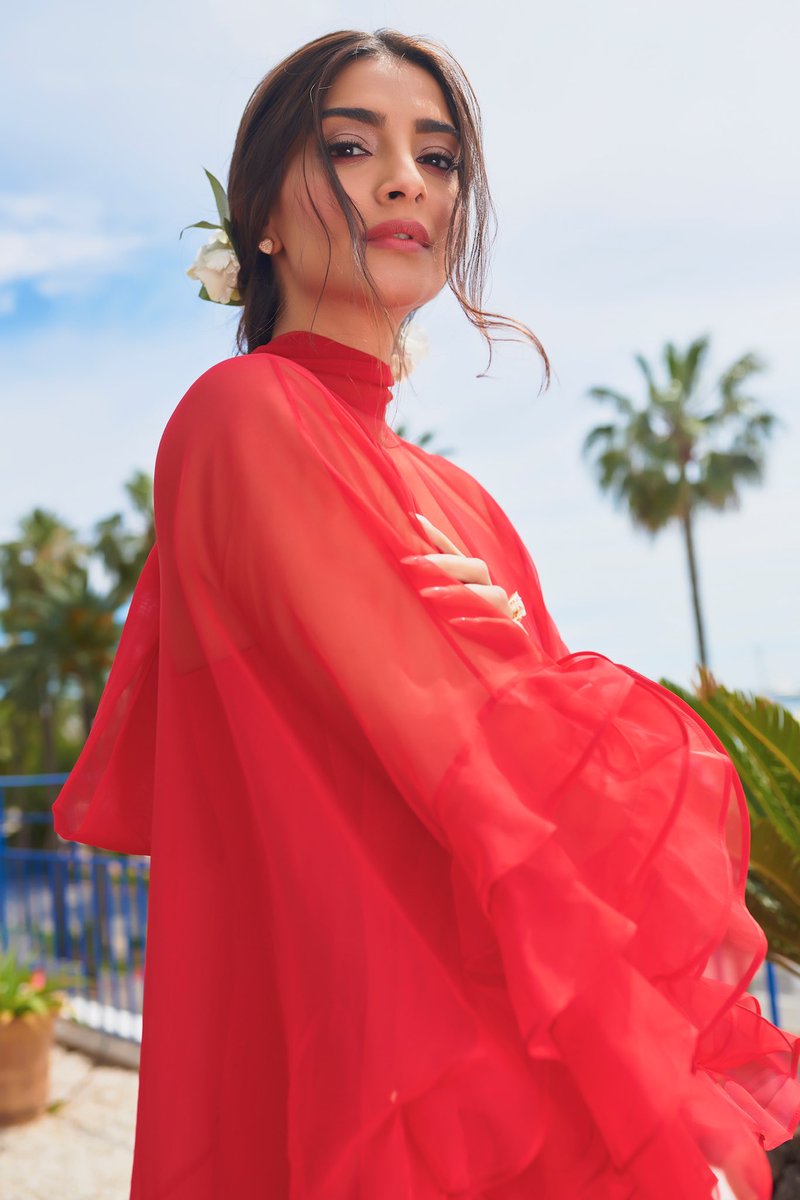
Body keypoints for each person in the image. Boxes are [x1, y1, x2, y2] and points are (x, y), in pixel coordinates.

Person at [52, 28, 800, 1200]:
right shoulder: (241, 417)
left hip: (511, 1055)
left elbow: (554, 820)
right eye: (352, 146)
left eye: (438, 157)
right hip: (390, 1074)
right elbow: (478, 764)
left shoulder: (464, 501)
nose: (407, 178)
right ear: (261, 220)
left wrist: (507, 667)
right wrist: (505, 671)